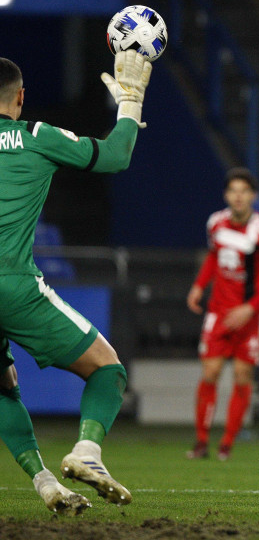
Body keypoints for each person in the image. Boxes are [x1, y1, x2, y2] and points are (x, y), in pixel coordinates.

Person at [0, 51, 151, 515]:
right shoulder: (36, 137)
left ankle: (46, 484)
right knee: (108, 370)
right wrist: (131, 102)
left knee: (3, 388)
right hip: (12, 286)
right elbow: (114, 157)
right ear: (21, 98)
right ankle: (87, 454)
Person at [186, 167, 259, 461]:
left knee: (242, 377)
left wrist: (249, 308)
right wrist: (198, 286)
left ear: (252, 196)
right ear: (226, 195)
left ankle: (226, 444)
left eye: (244, 191)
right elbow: (214, 256)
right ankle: (201, 442)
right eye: (233, 191)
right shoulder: (216, 223)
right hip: (218, 311)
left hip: (250, 316)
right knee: (210, 372)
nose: (238, 196)